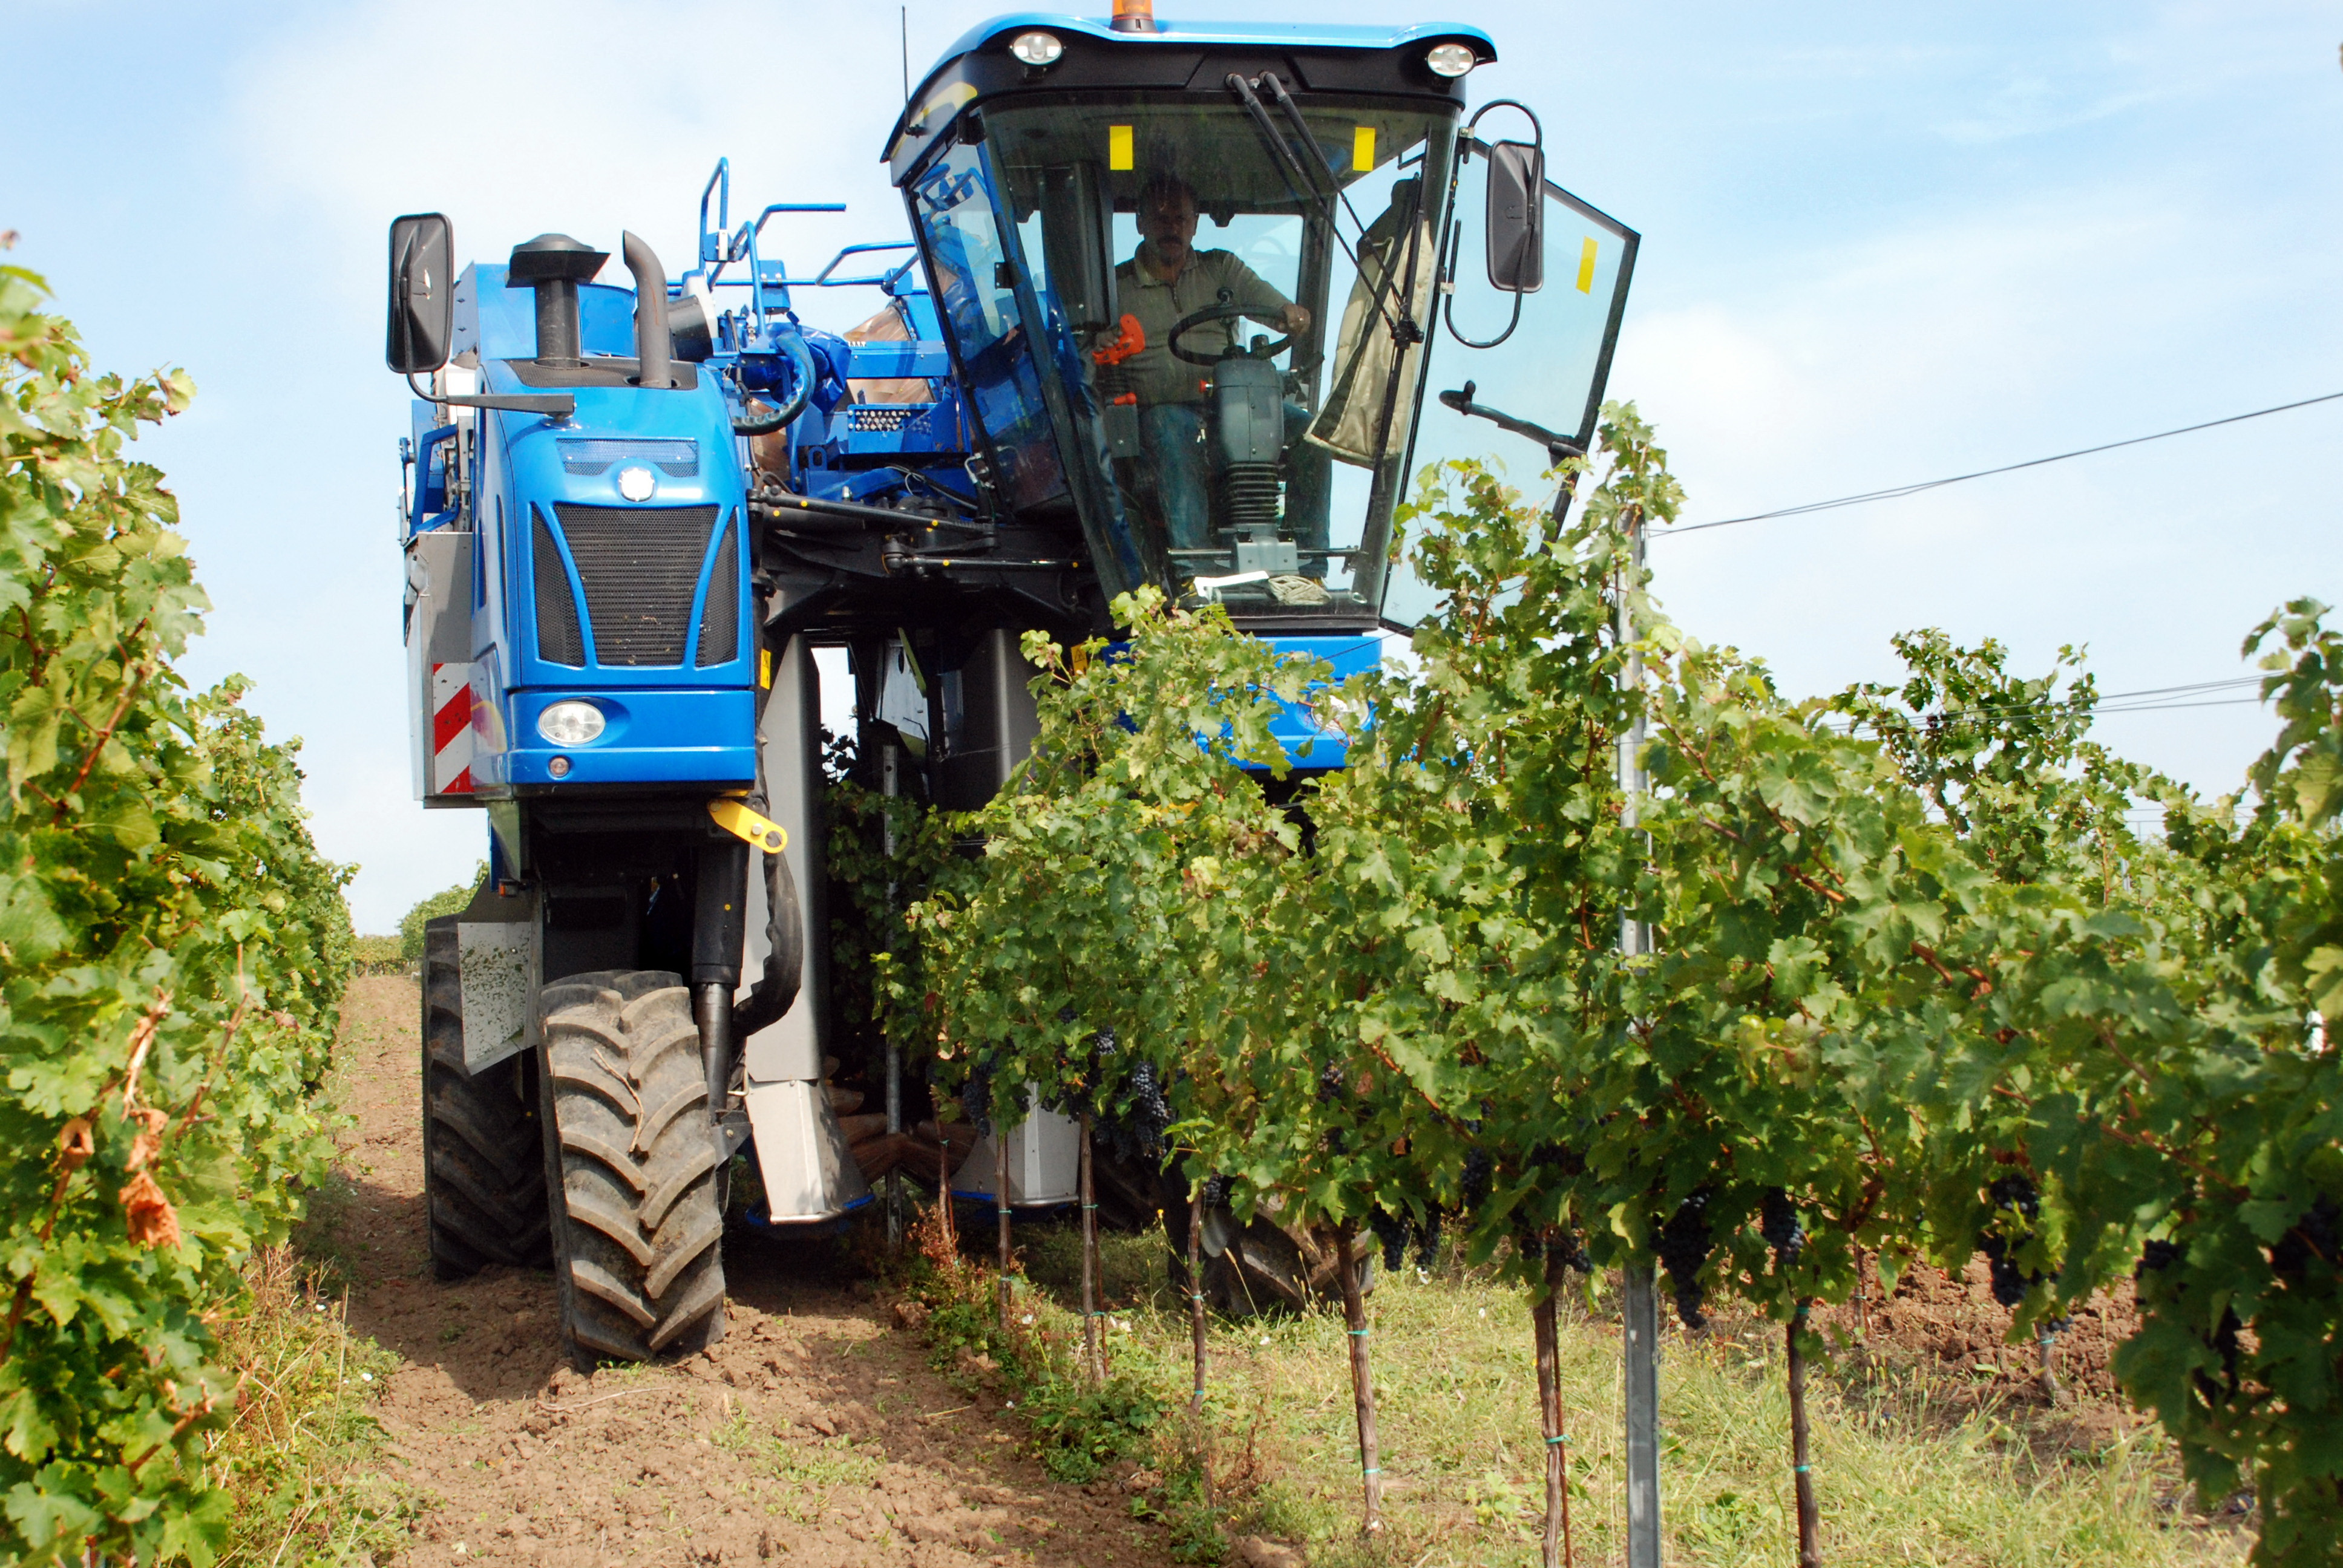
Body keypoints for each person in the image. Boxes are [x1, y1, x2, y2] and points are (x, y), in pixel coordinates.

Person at [1112, 174, 1309, 552]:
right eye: (1162, 218)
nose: (1173, 228)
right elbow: (1088, 344)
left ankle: (1310, 563)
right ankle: (1194, 562)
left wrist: (1292, 316)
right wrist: (1102, 339)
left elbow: (1278, 311)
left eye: (1182, 220)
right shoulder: (1116, 285)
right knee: (1172, 429)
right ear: (1140, 223)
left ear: (1196, 224)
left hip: (1230, 404)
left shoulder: (1222, 268)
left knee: (1310, 436)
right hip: (1155, 413)